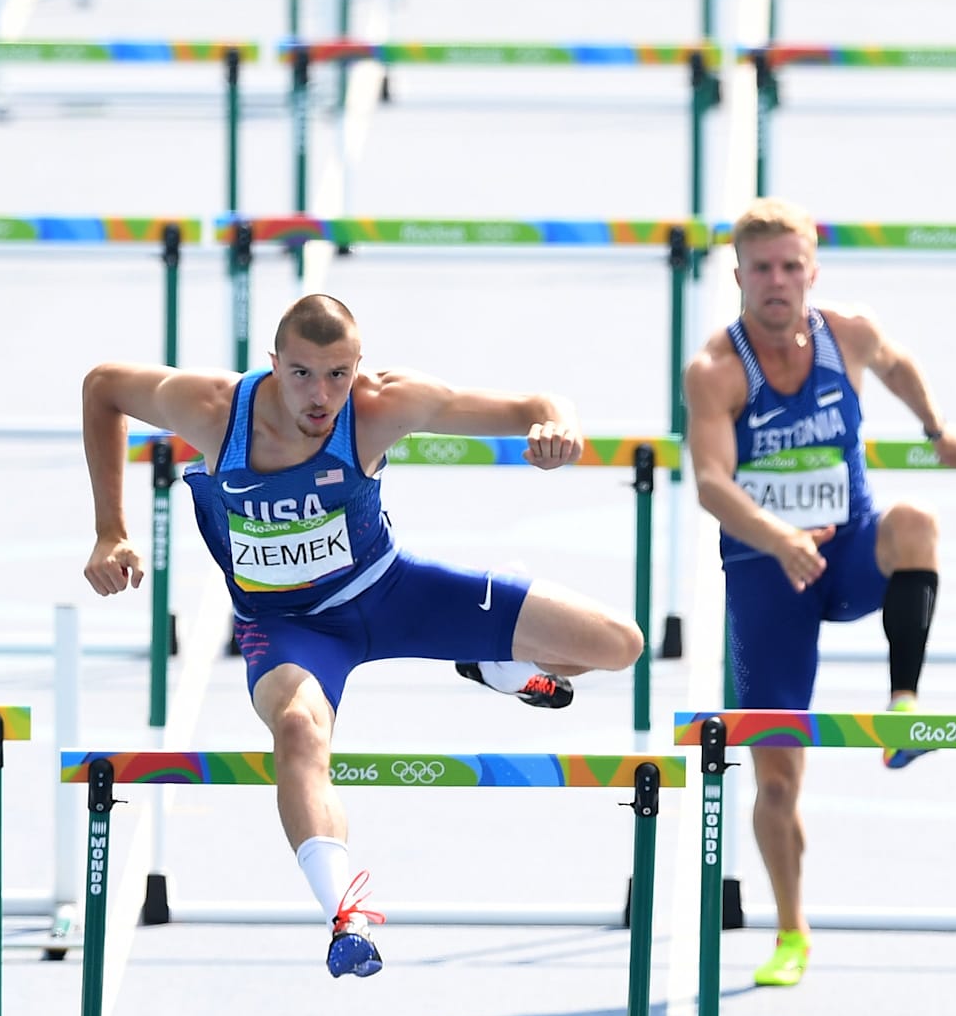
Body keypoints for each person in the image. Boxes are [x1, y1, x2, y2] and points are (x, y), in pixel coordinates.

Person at [79, 292, 645, 979]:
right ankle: (343, 915)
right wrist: (111, 529)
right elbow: (102, 387)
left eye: (338, 374)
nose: (321, 397)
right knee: (298, 729)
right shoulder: (213, 410)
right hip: (289, 629)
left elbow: (535, 404)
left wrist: (560, 427)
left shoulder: (381, 406)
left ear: (359, 368)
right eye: (302, 374)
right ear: (273, 364)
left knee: (619, 645)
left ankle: (493, 662)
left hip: (393, 594)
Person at [685, 198, 956, 989]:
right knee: (776, 777)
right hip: (765, 576)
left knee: (915, 521)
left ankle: (903, 705)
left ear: (812, 270)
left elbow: (899, 365)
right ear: (739, 275)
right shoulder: (715, 368)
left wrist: (935, 425)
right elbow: (710, 481)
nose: (777, 283)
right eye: (761, 269)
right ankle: (790, 931)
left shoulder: (849, 332)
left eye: (790, 267)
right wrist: (775, 537)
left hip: (846, 550)